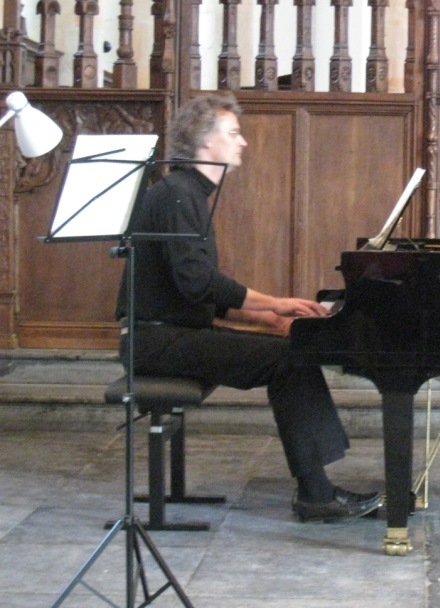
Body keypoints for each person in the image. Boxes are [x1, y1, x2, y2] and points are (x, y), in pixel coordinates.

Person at [115, 94, 381, 523]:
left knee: (290, 347)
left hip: (170, 332)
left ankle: (317, 489)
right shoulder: (177, 194)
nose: (243, 142)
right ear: (204, 141)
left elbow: (195, 293)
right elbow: (198, 283)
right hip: (153, 340)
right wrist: (274, 303)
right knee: (288, 359)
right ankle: (316, 495)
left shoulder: (185, 193)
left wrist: (269, 318)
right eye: (233, 133)